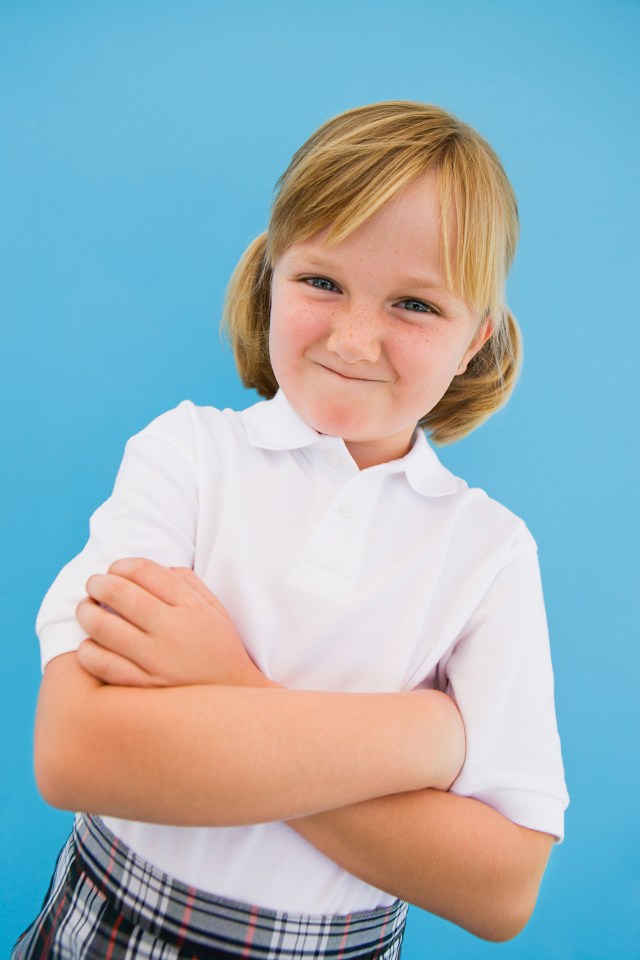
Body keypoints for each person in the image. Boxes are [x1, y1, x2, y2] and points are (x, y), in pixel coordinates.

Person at [13, 101, 568, 959]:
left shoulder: (487, 553)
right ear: (271, 276)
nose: (354, 337)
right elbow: (79, 752)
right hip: (106, 931)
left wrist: (226, 681)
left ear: (475, 342)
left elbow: (501, 890)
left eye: (415, 304)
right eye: (322, 282)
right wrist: (422, 738)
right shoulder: (189, 455)